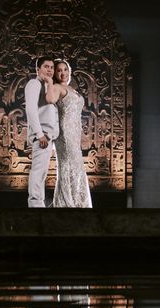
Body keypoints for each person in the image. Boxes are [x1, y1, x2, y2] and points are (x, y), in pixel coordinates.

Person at [44, 59, 92, 208]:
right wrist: (49, 82)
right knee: (68, 165)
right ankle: (67, 203)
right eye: (59, 70)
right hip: (65, 132)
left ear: (69, 71)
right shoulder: (57, 87)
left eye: (65, 69)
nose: (62, 72)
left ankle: (76, 201)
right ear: (55, 74)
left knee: (75, 166)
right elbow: (50, 99)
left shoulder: (71, 89)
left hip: (74, 132)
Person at [24, 56, 60, 208]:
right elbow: (30, 109)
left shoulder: (45, 85)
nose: (50, 70)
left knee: (42, 173)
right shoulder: (34, 83)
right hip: (42, 136)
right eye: (46, 66)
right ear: (38, 69)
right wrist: (40, 135)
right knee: (38, 172)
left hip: (47, 136)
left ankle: (39, 204)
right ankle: (35, 206)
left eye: (52, 67)